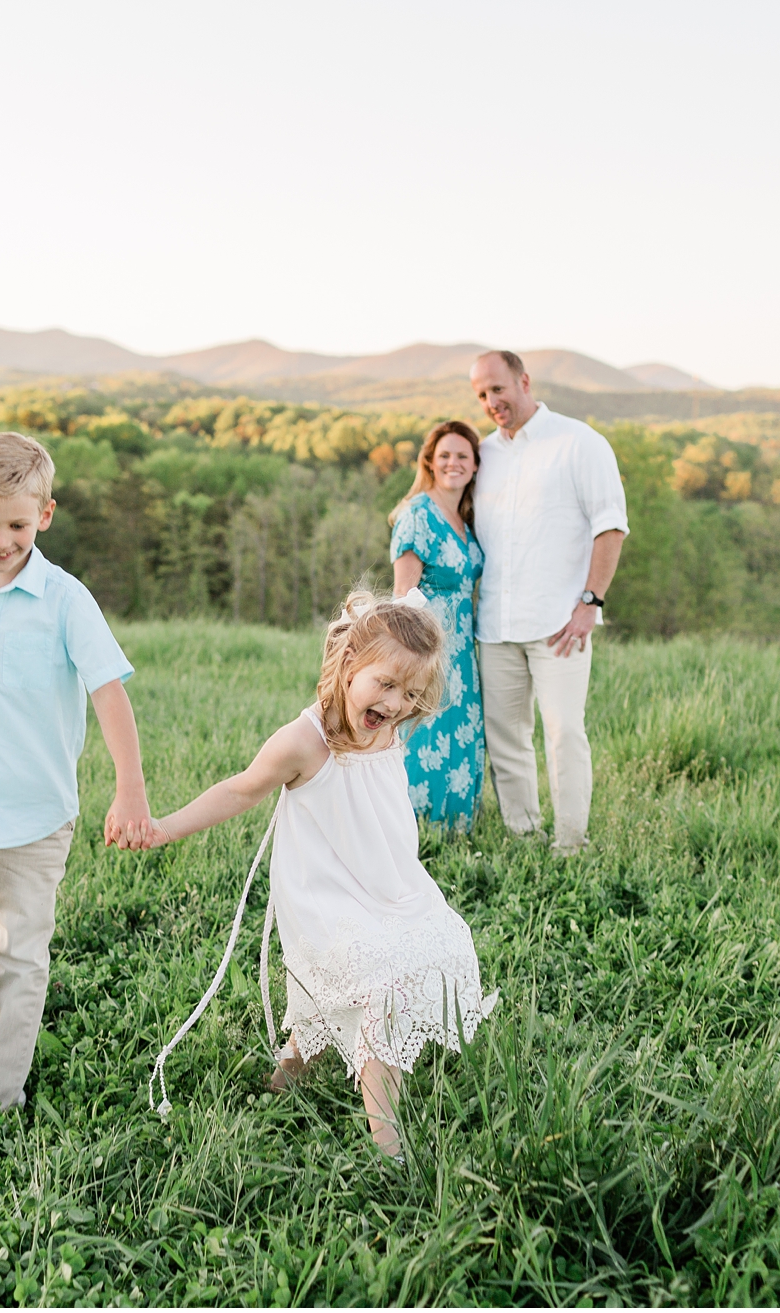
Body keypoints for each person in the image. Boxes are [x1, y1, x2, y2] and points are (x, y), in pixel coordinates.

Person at [136, 591, 498, 1158]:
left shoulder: (388, 726)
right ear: (348, 664)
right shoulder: (304, 742)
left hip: (388, 888)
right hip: (326, 902)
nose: (398, 703)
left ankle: (283, 1081)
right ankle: (391, 1147)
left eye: (410, 693)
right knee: (383, 988)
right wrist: (164, 827)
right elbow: (239, 789)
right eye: (385, 684)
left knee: (434, 945)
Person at [0, 431, 152, 1118]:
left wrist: (130, 786)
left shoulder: (67, 599)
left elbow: (109, 692)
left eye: (16, 523)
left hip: (37, 811)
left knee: (22, 957)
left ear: (44, 514)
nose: (1, 539)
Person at [469, 349, 629, 853]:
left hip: (561, 623)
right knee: (507, 741)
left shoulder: (579, 442)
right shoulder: (483, 454)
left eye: (498, 389)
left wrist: (591, 602)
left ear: (524, 381)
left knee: (564, 735)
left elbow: (611, 526)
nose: (492, 401)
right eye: (481, 395)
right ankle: (523, 835)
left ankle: (570, 843)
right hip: (495, 625)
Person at [389, 420, 487, 831]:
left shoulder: (468, 518)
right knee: (425, 737)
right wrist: (407, 665)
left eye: (463, 455)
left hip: (463, 650)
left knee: (460, 733)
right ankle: (411, 830)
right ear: (430, 461)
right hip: (427, 648)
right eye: (445, 455)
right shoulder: (416, 515)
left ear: (475, 464)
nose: (453, 463)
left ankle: (455, 830)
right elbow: (401, 598)